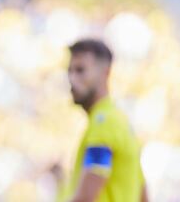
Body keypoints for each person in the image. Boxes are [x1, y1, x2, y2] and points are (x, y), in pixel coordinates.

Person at [60, 39, 148, 202]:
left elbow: (85, 198)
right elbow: (143, 193)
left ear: (105, 73)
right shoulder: (120, 122)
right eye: (70, 71)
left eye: (80, 70)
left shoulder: (103, 124)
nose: (72, 79)